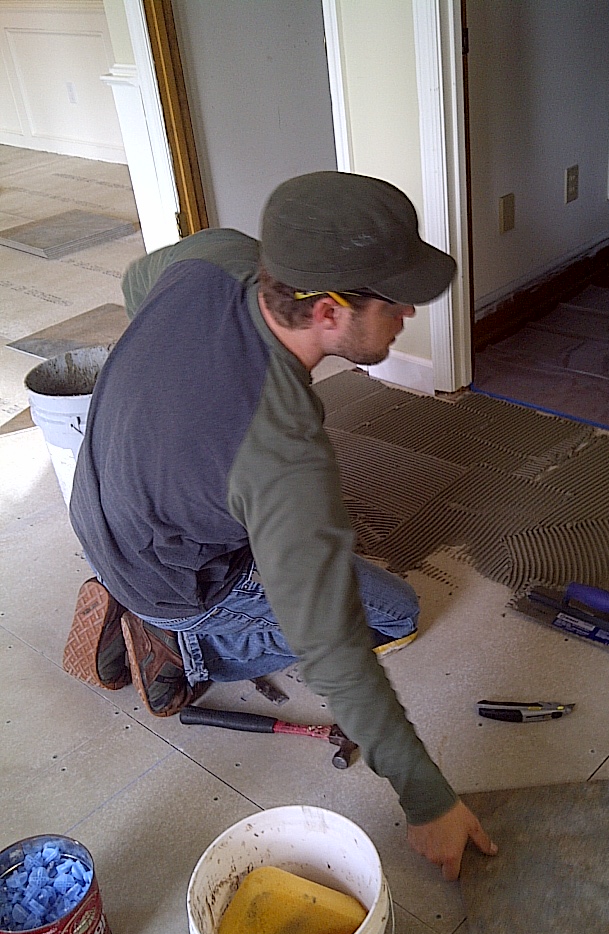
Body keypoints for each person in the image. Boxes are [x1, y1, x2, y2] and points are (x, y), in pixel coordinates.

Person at [64, 171, 496, 881]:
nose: (408, 314)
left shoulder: (214, 259)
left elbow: (136, 282)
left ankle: (151, 596)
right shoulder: (281, 453)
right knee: (392, 614)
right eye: (395, 302)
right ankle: (184, 647)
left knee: (307, 546)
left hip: (99, 502)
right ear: (328, 310)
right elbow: (333, 653)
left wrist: (178, 398)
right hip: (175, 580)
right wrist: (429, 800)